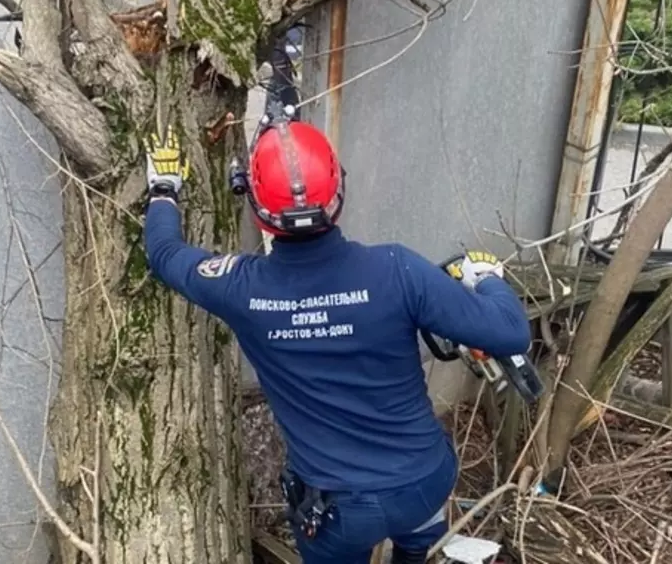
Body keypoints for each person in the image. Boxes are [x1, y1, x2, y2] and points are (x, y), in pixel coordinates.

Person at [143, 122, 532, 564]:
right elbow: (510, 332)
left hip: (339, 514)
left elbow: (165, 255)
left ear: (256, 208)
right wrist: (486, 280)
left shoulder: (240, 288)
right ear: (338, 194)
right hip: (423, 484)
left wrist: (163, 187)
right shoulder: (398, 270)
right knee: (420, 544)